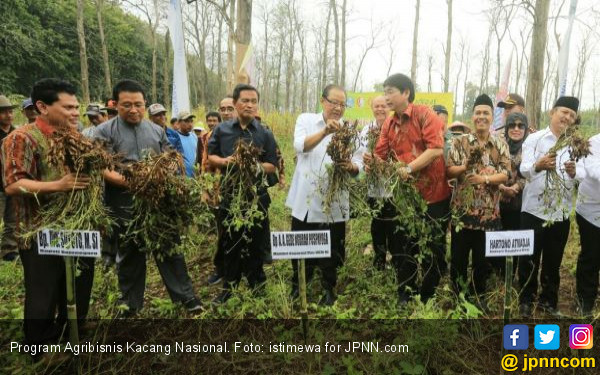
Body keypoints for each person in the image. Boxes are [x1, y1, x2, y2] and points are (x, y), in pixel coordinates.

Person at [2, 79, 94, 364]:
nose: (75, 113)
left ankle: (71, 337)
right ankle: (39, 350)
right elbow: (14, 185)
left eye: (76, 107)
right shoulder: (22, 138)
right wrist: (60, 185)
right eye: (67, 107)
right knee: (43, 292)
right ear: (42, 107)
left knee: (79, 287)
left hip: (78, 229)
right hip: (39, 231)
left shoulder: (77, 138)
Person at [94, 79, 202, 314]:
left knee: (170, 248)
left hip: (157, 202)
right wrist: (133, 181)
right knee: (130, 254)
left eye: (138, 104)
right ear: (116, 104)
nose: (133, 110)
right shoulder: (104, 131)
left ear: (145, 104)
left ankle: (186, 298)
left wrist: (165, 175)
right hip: (124, 202)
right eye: (127, 105)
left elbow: (170, 158)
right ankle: (130, 304)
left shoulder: (156, 130)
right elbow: (102, 166)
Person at [370, 74, 451, 305]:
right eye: (384, 91)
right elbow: (381, 154)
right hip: (405, 198)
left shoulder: (425, 115)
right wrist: (373, 162)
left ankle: (428, 293)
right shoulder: (389, 123)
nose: (386, 97)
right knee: (404, 244)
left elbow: (436, 149)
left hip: (434, 196)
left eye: (390, 91)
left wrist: (408, 168)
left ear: (406, 93)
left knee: (434, 245)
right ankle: (405, 292)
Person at [286, 84, 363, 306]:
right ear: (323, 101)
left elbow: (359, 162)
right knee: (301, 243)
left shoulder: (349, 129)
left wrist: (351, 167)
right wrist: (325, 132)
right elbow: (300, 145)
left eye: (342, 104)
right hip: (306, 199)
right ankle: (299, 283)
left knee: (332, 248)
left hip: (334, 199)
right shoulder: (307, 120)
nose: (338, 108)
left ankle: (329, 287)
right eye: (334, 102)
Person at [207, 84, 278, 303]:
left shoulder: (264, 132)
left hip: (256, 196)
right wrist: (225, 161)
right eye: (245, 100)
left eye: (254, 101)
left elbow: (272, 165)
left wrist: (255, 166)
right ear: (235, 104)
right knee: (231, 242)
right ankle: (230, 285)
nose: (249, 104)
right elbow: (211, 156)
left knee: (256, 241)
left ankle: (257, 283)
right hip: (231, 194)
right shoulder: (222, 130)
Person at [518, 96, 585, 317]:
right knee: (529, 258)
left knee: (553, 261)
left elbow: (581, 177)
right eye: (564, 112)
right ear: (552, 112)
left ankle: (548, 301)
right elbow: (523, 169)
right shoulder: (535, 140)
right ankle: (526, 301)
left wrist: (576, 173)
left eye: (572, 115)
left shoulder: (575, 145)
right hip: (533, 210)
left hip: (560, 212)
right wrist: (538, 165)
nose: (567, 117)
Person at [446, 94, 510, 309]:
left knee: (482, 262)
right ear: (472, 116)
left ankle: (478, 296)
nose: (481, 116)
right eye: (478, 113)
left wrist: (484, 178)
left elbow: (506, 175)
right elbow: (449, 172)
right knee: (458, 260)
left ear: (492, 117)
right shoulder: (459, 142)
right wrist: (464, 167)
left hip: (489, 215)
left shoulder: (500, 144)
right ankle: (457, 297)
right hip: (462, 215)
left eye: (486, 113)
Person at [359, 95, 392, 270]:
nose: (380, 109)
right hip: (374, 187)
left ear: (390, 107)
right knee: (377, 223)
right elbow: (359, 155)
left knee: (393, 224)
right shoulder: (366, 130)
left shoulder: (396, 127)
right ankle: (379, 260)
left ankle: (395, 260)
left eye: (384, 105)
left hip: (394, 188)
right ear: (372, 108)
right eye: (376, 106)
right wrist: (365, 163)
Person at [494, 113, 529, 276]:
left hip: (519, 204)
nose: (516, 129)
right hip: (496, 202)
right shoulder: (497, 145)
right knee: (496, 240)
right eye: (512, 125)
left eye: (520, 125)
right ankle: (495, 275)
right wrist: (501, 186)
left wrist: (516, 187)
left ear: (525, 128)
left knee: (514, 240)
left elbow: (530, 174)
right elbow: (489, 168)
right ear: (507, 128)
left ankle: (509, 276)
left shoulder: (530, 147)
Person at [575, 133, 600, 317]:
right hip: (591, 211)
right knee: (591, 255)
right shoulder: (594, 143)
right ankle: (585, 301)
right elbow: (594, 170)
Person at [0, 95, 18, 261]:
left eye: (10, 111)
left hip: (13, 181)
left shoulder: (17, 132)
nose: (8, 115)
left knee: (13, 219)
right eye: (3, 112)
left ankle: (9, 250)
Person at [176, 111, 198, 177]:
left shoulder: (194, 136)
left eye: (191, 121)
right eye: (186, 121)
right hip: (181, 178)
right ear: (179, 123)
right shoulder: (175, 137)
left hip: (195, 177)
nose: (190, 124)